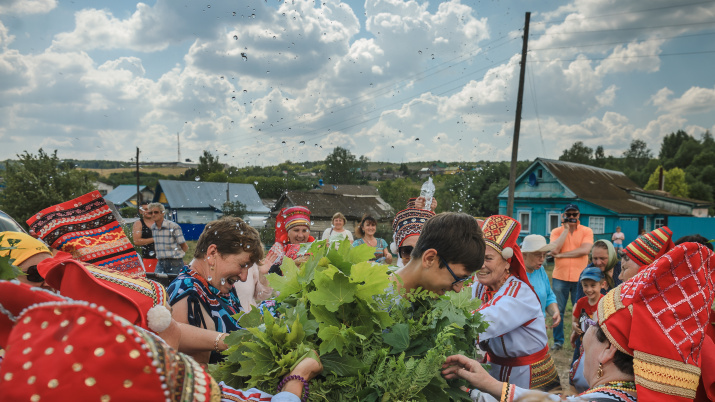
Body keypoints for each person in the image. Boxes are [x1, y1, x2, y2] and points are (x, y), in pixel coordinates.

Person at [443, 242, 715, 402]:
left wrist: (483, 389)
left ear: (609, 351)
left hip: (525, 371)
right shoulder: (627, 391)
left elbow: (480, 323)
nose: (585, 330)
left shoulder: (520, 293)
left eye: (593, 326)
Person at [0, 280, 322, 402]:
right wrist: (299, 374)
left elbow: (177, 335)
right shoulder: (169, 383)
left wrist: (234, 341)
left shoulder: (118, 369)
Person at [471, 215, 560, 395]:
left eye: (488, 258)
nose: (481, 265)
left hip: (529, 375)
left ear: (506, 262)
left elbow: (480, 323)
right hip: (496, 368)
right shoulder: (480, 285)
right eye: (478, 257)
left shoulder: (520, 294)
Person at [167, 216, 265, 364]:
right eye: (243, 265)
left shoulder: (221, 289)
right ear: (213, 253)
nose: (244, 277)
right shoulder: (189, 295)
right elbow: (196, 375)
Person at [393, 212, 484, 296]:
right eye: (457, 278)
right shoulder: (380, 304)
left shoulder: (428, 300)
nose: (458, 289)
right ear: (430, 258)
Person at [549, 204, 594, 350]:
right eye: (569, 214)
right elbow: (554, 249)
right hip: (560, 276)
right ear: (564, 216)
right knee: (559, 310)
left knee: (582, 310)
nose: (572, 217)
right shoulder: (556, 231)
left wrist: (561, 255)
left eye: (575, 214)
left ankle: (581, 340)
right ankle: (558, 341)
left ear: (579, 215)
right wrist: (566, 230)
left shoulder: (587, 231)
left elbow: (585, 250)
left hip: (580, 277)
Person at [520, 235, 561, 333]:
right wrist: (532, 322)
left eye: (544, 255)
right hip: (521, 332)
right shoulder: (515, 275)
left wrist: (555, 312)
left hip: (540, 330)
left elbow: (549, 296)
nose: (542, 259)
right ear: (524, 255)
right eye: (538, 255)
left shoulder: (540, 271)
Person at [149, 202, 188, 274]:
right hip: (160, 261)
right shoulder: (153, 228)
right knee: (158, 282)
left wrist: (181, 259)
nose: (153, 214)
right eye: (151, 213)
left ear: (162, 213)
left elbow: (184, 245)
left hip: (174, 261)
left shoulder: (173, 226)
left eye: (156, 212)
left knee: (175, 283)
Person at [570, 268, 604, 349]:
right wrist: (575, 326)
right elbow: (574, 321)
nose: (589, 290)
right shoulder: (581, 302)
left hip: (600, 345)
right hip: (584, 344)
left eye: (593, 285)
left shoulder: (605, 302)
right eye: (585, 285)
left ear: (602, 284)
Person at [132, 200, 158, 272]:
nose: (149, 211)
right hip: (148, 258)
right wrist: (155, 239)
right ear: (140, 211)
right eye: (146, 209)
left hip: (165, 258)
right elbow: (136, 241)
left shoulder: (160, 222)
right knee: (150, 280)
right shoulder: (138, 223)